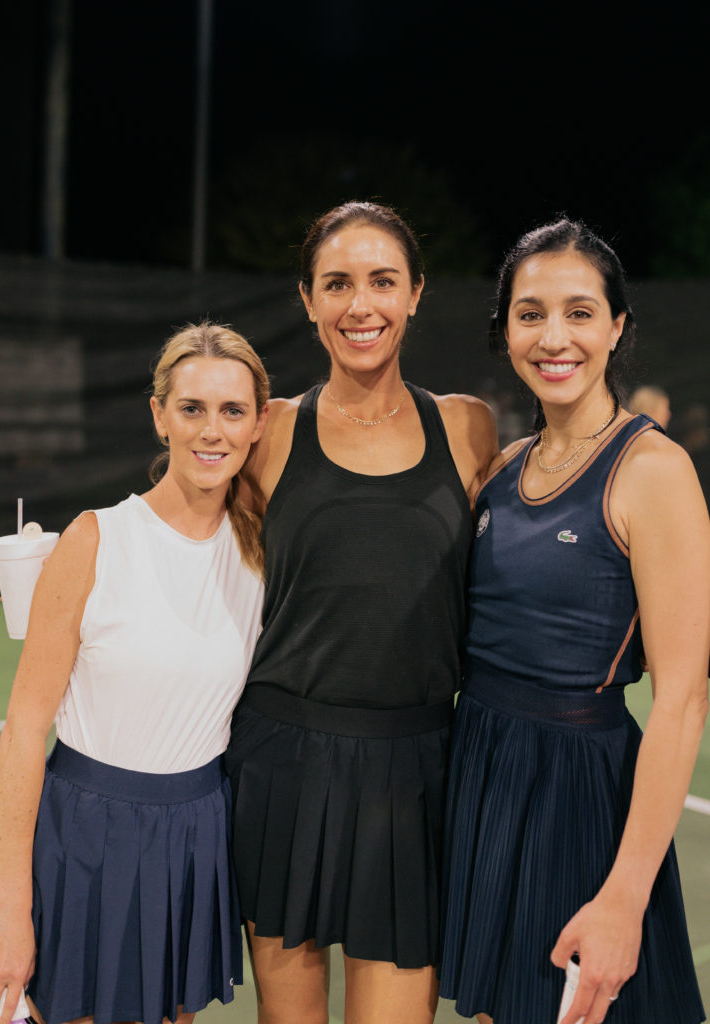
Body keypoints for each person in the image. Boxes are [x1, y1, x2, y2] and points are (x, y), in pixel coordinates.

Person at [224, 201, 498, 1024]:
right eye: (336, 284)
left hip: (415, 771)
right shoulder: (266, 433)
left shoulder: (467, 427)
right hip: (281, 767)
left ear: (415, 293)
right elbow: (177, 528)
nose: (360, 305)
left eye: (382, 281)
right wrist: (68, 561)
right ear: (307, 300)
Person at [438, 219, 710, 1023]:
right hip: (481, 775)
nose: (553, 337)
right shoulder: (503, 468)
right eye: (529, 314)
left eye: (579, 312)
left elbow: (681, 702)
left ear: (616, 326)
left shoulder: (653, 471)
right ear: (505, 332)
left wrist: (623, 899)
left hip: (576, 799)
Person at [0, 323, 269, 1024]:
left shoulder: (263, 548)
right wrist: (11, 908)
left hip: (194, 837)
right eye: (191, 408)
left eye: (232, 410)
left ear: (259, 423)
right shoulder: (95, 537)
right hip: (83, 839)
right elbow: (23, 730)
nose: (211, 430)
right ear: (159, 415)